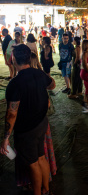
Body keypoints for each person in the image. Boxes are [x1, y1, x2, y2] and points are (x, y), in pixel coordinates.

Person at [0, 44, 56, 195]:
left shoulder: (15, 84)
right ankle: (46, 189)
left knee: (33, 164)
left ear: (13, 60)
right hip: (42, 123)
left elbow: (11, 114)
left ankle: (38, 192)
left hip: (27, 130)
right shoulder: (39, 74)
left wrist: (5, 138)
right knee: (41, 158)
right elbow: (52, 84)